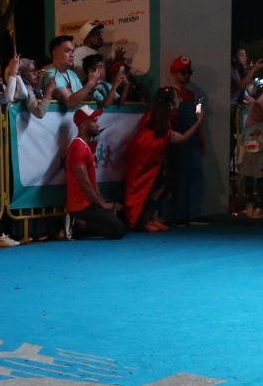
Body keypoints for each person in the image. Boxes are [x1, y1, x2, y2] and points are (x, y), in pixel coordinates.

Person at [66, 106, 126, 239]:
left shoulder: (85, 146)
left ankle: (80, 226)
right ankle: (77, 224)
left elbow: (92, 182)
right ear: (83, 124)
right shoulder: (78, 147)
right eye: (94, 121)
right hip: (81, 206)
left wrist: (102, 203)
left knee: (118, 225)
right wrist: (102, 204)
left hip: (89, 203)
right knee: (118, 230)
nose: (97, 125)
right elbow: (84, 182)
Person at [124, 85, 176, 231]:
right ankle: (145, 221)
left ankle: (153, 218)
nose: (179, 99)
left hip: (158, 159)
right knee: (150, 189)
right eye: (176, 97)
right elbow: (147, 141)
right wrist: (198, 122)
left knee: (159, 187)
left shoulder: (165, 116)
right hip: (147, 161)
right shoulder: (153, 117)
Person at [163, 55, 207, 226]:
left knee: (196, 176)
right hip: (178, 142)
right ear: (174, 73)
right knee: (179, 178)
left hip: (193, 141)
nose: (187, 75)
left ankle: (193, 214)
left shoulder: (194, 96)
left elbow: (199, 118)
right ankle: (179, 215)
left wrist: (201, 141)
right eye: (183, 72)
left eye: (189, 72)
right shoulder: (169, 93)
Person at [236, 89, 263, 219]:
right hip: (248, 158)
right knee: (248, 183)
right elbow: (243, 146)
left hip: (260, 157)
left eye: (260, 111)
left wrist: (260, 136)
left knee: (260, 183)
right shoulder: (246, 130)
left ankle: (261, 206)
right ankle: (249, 205)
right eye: (255, 111)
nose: (258, 114)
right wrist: (240, 161)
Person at [37, 34, 98, 110]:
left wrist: (91, 90)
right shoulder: (50, 75)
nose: (72, 55)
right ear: (55, 54)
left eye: (72, 51)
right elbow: (70, 102)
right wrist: (91, 82)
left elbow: (81, 98)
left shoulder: (72, 74)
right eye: (67, 51)